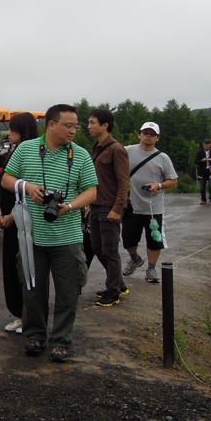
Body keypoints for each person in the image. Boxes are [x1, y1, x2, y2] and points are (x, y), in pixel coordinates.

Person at [0, 104, 98, 363]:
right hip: (32, 237)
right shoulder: (27, 149)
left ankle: (62, 341)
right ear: (52, 125)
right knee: (32, 290)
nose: (74, 131)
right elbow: (7, 180)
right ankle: (35, 336)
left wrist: (71, 206)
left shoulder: (80, 155)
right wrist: (27, 186)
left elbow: (91, 191)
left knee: (68, 292)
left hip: (68, 238)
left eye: (76, 126)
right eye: (69, 125)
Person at [0, 112, 40, 334]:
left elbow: (29, 193)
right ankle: (20, 314)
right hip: (11, 219)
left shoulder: (33, 155)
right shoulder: (12, 150)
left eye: (13, 130)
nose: (9, 134)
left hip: (24, 220)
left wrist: (12, 216)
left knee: (27, 268)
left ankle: (29, 316)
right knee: (13, 268)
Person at [122, 122, 179, 284]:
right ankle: (134, 258)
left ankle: (151, 268)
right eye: (145, 132)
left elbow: (173, 180)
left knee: (154, 240)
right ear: (139, 134)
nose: (148, 136)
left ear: (157, 138)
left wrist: (159, 185)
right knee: (127, 239)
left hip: (154, 208)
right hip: (131, 205)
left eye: (152, 134)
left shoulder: (162, 158)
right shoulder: (127, 151)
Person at [86, 108, 131, 308]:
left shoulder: (116, 149)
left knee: (110, 250)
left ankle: (113, 291)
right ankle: (118, 283)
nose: (89, 127)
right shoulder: (95, 148)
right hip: (95, 206)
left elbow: (124, 183)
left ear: (105, 125)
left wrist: (117, 209)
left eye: (92, 123)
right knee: (97, 247)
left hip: (109, 208)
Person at [195, 140, 211, 204]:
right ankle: (203, 199)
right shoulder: (200, 152)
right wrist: (202, 161)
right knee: (202, 187)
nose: (205, 146)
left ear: (210, 145)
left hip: (210, 171)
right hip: (202, 171)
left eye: (207, 145)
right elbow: (196, 161)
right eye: (204, 145)